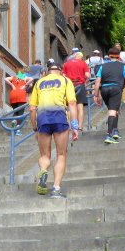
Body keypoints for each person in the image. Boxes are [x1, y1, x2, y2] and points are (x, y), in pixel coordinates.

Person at [28, 62, 79, 198]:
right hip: (60, 117)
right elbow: (72, 103)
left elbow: (32, 108)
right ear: (61, 71)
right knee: (61, 154)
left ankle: (43, 170)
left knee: (45, 155)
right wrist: (74, 126)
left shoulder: (39, 83)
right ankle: (56, 189)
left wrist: (35, 128)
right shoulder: (65, 81)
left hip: (43, 119)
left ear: (47, 72)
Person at [94, 48, 125, 144]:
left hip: (104, 89)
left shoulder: (102, 66)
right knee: (112, 111)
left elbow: (97, 81)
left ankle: (115, 130)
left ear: (109, 56)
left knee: (114, 109)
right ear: (119, 57)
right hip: (116, 88)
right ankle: (109, 135)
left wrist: (96, 95)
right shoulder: (123, 66)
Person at [62, 51, 91, 133]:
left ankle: (69, 125)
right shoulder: (83, 63)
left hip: (69, 85)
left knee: (69, 105)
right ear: (80, 57)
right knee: (80, 105)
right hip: (80, 84)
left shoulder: (67, 64)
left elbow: (63, 76)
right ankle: (80, 126)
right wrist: (85, 79)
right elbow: (87, 75)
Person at [4, 70, 31, 135]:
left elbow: (5, 79)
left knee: (16, 112)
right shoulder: (24, 77)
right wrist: (25, 85)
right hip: (21, 95)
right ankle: (18, 130)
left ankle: (14, 121)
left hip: (13, 94)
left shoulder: (13, 77)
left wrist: (12, 85)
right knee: (20, 113)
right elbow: (32, 79)